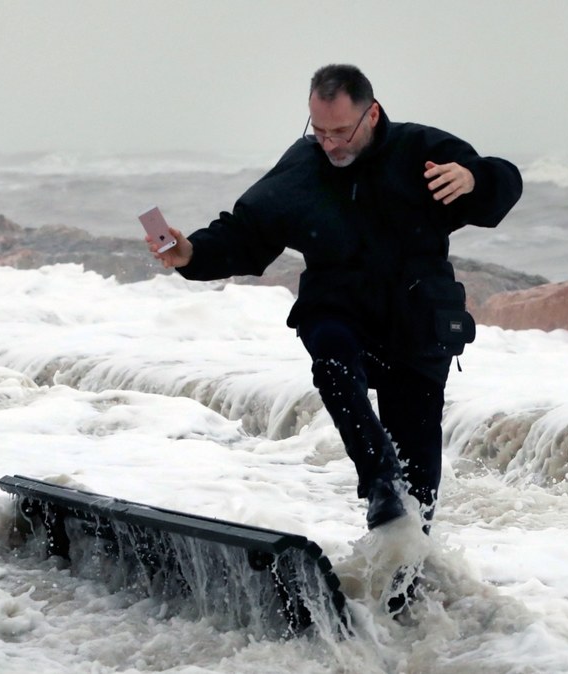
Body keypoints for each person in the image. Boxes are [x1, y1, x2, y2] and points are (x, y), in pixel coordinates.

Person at [150, 64, 522, 533]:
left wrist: (474, 180)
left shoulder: (419, 150)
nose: (331, 145)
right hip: (339, 311)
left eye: (341, 132)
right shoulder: (304, 165)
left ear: (372, 114)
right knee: (333, 362)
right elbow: (247, 231)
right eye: (320, 131)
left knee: (417, 496)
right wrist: (190, 253)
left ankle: (401, 587)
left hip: (416, 324)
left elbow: (503, 179)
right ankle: (377, 477)